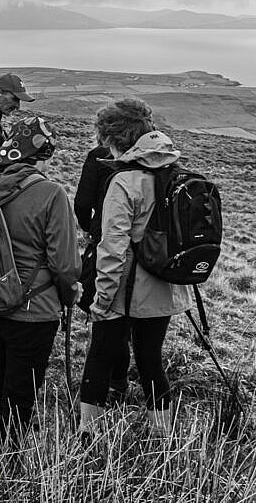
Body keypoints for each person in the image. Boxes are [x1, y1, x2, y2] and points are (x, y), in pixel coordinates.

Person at [79, 99, 191, 438]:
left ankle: (89, 435)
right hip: (164, 287)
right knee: (150, 360)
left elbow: (112, 250)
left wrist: (101, 300)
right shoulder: (172, 171)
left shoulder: (124, 182)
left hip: (125, 290)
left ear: (114, 138)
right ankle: (162, 435)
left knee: (100, 355)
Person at [0, 117, 80, 444]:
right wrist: (71, 294)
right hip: (32, 310)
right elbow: (65, 264)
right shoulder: (51, 194)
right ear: (43, 153)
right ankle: (5, 469)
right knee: (19, 396)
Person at [73, 143, 130, 403]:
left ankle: (102, 389)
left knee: (105, 318)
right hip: (150, 257)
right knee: (137, 329)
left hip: (105, 241)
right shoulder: (157, 163)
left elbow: (83, 202)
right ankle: (119, 380)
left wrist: (88, 228)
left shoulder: (98, 156)